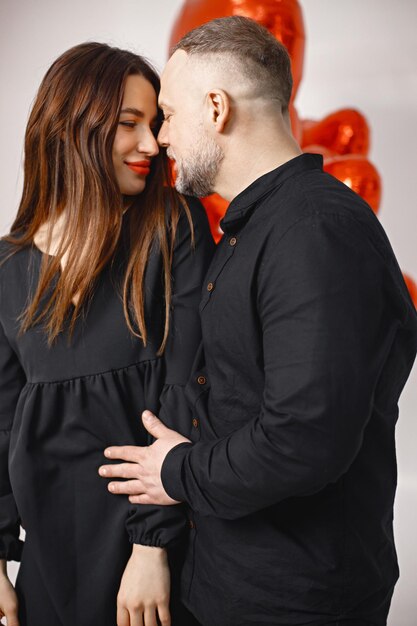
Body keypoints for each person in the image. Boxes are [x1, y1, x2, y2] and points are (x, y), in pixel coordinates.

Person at [99, 16, 417, 626]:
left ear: (216, 108)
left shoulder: (315, 233)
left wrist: (175, 471)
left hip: (295, 602)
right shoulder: (257, 230)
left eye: (168, 113)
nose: (161, 137)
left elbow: (305, 440)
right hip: (229, 583)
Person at [0, 42, 213, 626]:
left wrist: (152, 546)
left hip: (150, 549)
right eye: (129, 124)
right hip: (48, 557)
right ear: (72, 127)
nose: (152, 145)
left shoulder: (174, 227)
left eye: (156, 124)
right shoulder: (7, 267)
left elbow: (184, 392)